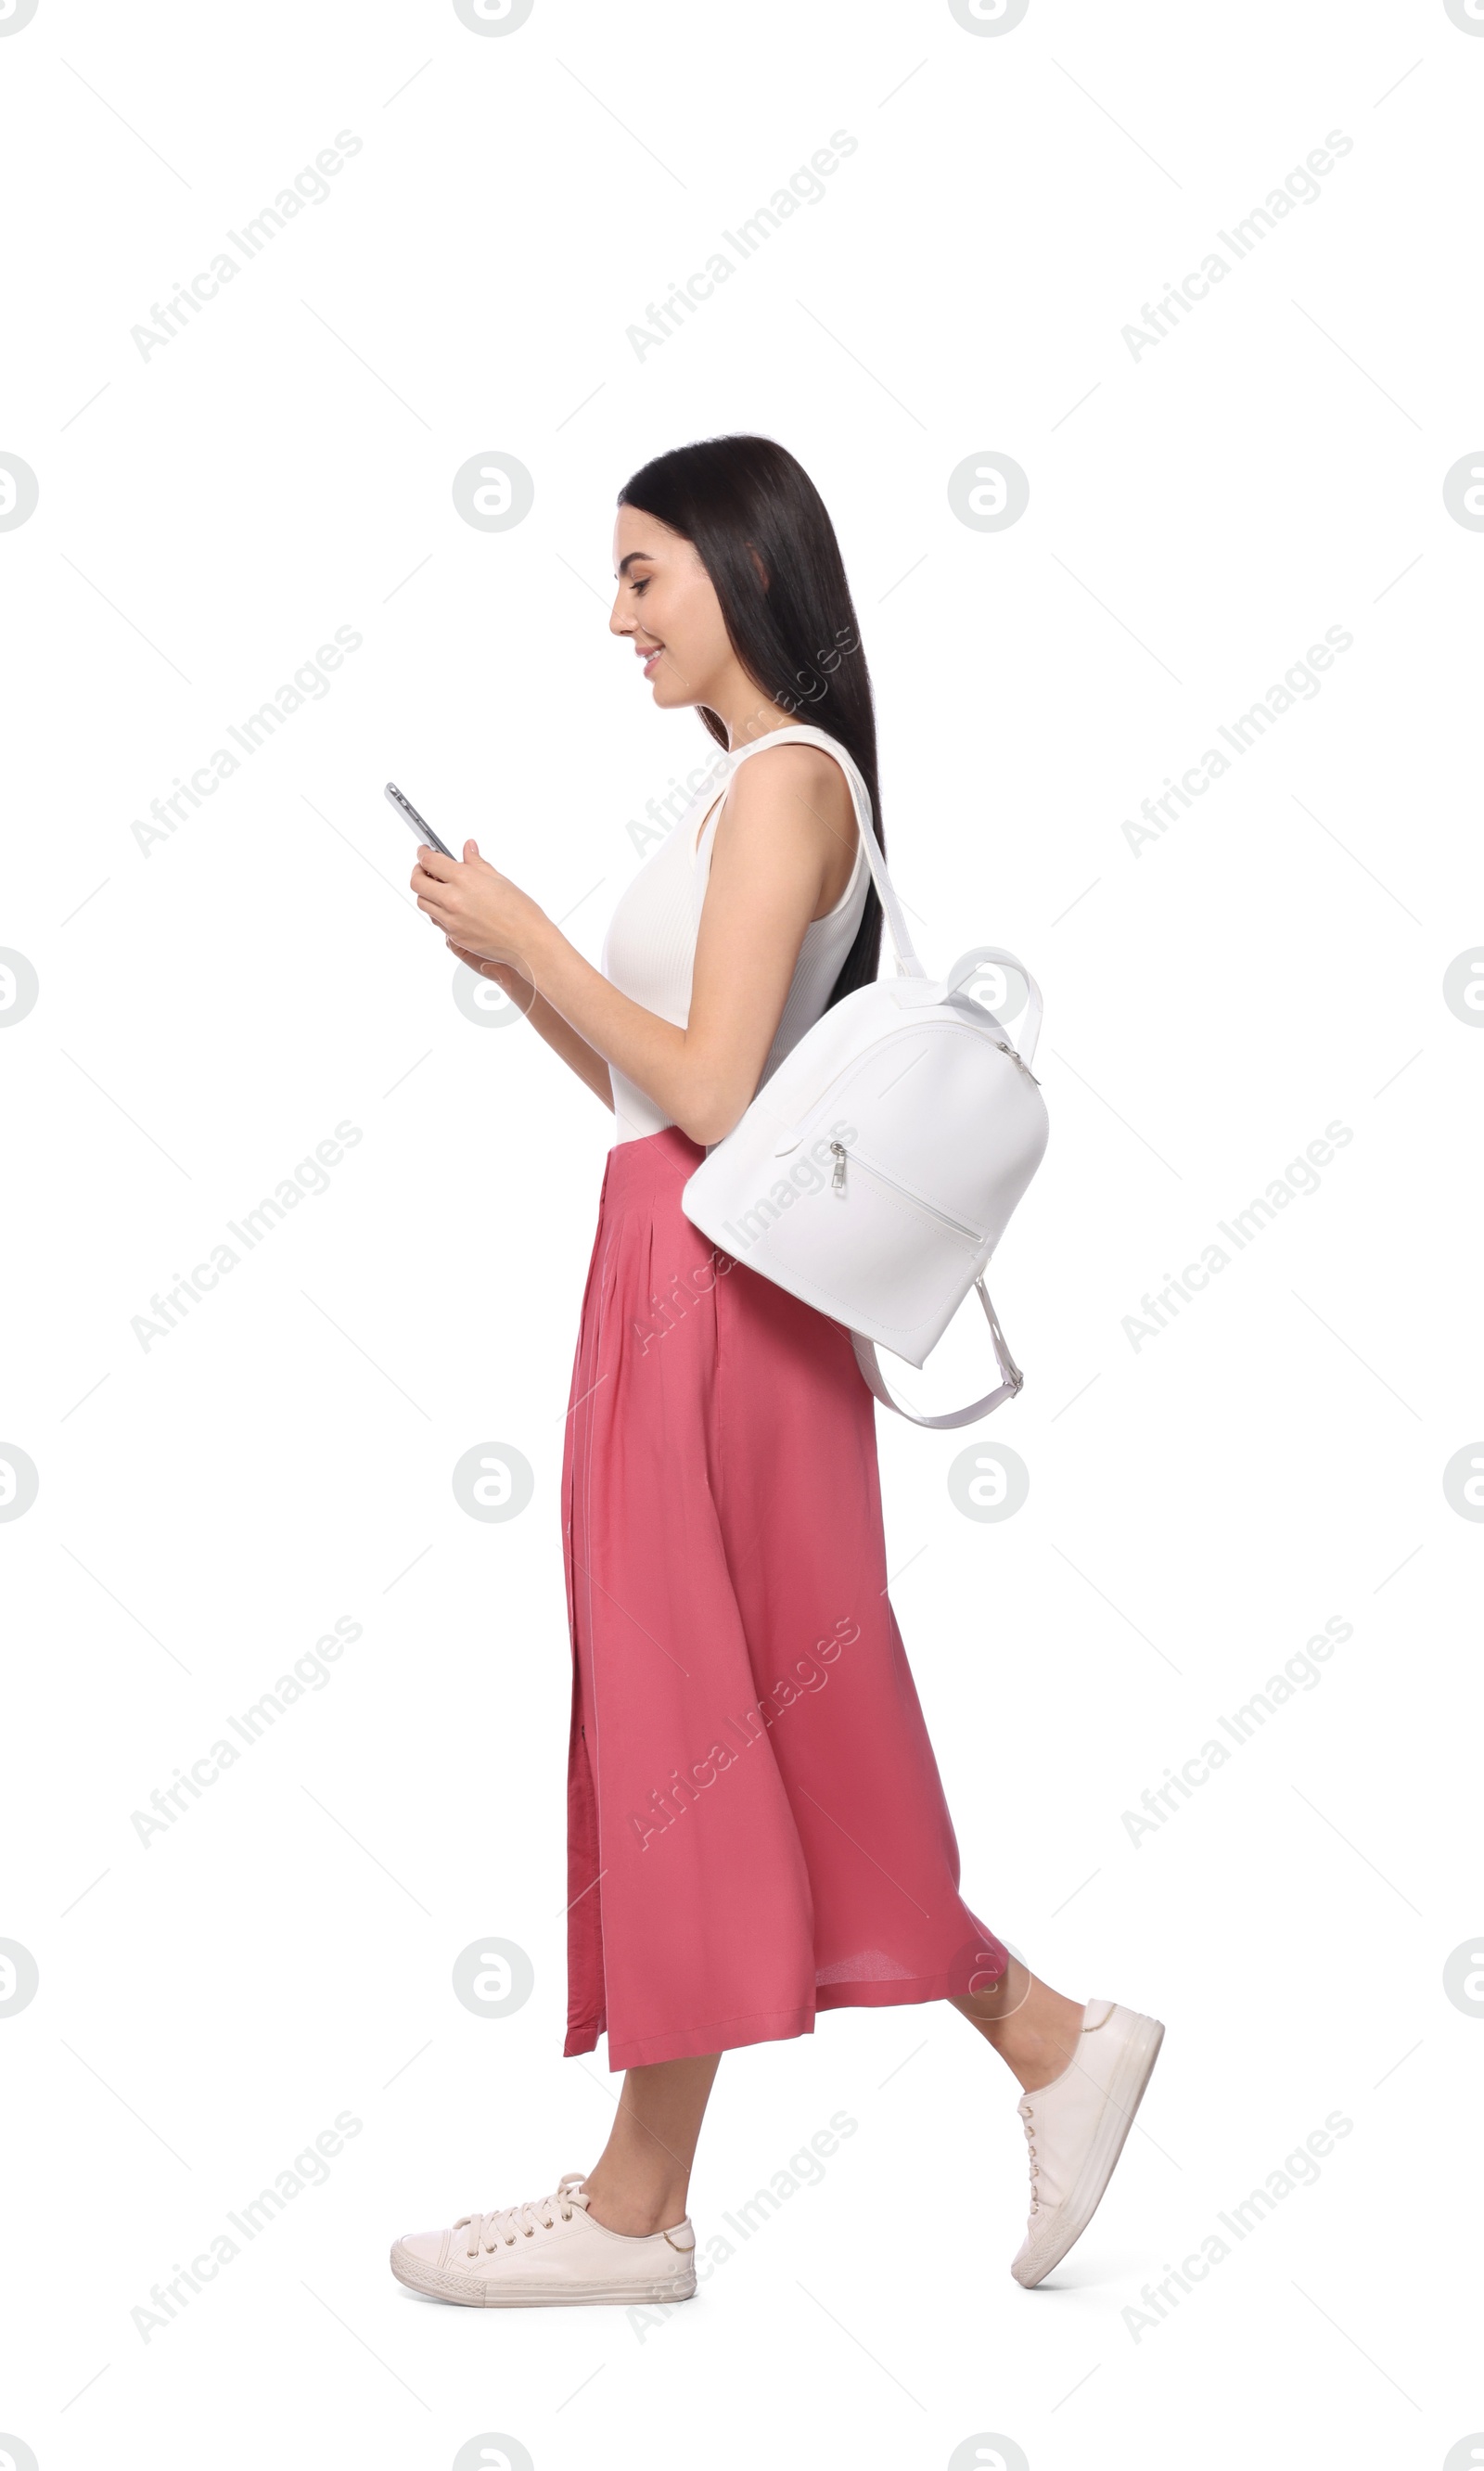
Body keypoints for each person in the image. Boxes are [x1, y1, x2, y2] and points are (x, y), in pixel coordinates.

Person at [389, 435, 1162, 2311]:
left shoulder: (789, 786)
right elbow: (669, 1093)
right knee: (770, 1721)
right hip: (684, 1260)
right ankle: (1050, 2041)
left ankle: (635, 2207)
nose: (616, 614)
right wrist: (527, 984)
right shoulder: (740, 793)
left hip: (710, 1295)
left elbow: (721, 1097)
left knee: (685, 1717)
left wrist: (537, 945)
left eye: (644, 571)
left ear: (741, 568)